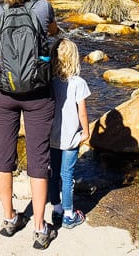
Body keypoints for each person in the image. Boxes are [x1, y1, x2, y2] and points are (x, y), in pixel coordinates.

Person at [0, 0, 59, 250]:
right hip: (38, 94)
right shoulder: (41, 8)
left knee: (3, 156)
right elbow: (53, 31)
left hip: (4, 93)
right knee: (38, 159)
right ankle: (40, 228)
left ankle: (9, 219)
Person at [48, 38, 90, 229]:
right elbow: (82, 111)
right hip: (71, 137)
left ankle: (56, 209)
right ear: (74, 59)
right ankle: (68, 214)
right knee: (67, 175)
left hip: (52, 136)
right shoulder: (79, 83)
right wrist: (86, 132)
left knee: (54, 173)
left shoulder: (51, 82)